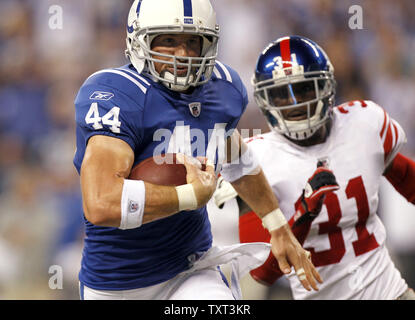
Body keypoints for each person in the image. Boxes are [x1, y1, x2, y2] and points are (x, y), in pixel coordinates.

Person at [72, 1, 321, 300]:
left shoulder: (223, 88)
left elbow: (234, 157)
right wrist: (190, 197)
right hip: (115, 283)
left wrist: (278, 226)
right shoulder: (117, 94)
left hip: (189, 270)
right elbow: (101, 204)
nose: (183, 54)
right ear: (139, 41)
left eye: (193, 42)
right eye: (168, 41)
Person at [225, 35, 415, 300]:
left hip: (390, 292)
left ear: (327, 86)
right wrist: (304, 215)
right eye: (281, 94)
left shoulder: (364, 122)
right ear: (264, 98)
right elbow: (262, 272)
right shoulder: (253, 159)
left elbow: (409, 180)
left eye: (303, 89)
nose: (294, 103)